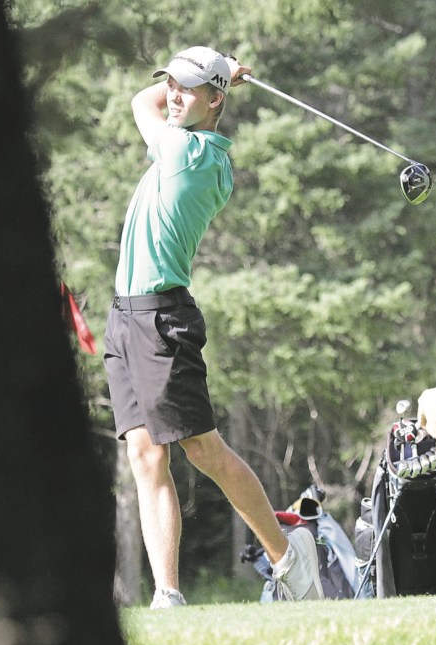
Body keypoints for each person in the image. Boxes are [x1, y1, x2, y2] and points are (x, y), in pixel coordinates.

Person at [103, 46, 323, 609]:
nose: (173, 95)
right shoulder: (202, 148)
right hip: (126, 316)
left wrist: (223, 69)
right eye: (171, 84)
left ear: (216, 99)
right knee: (146, 456)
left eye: (188, 88)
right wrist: (214, 74)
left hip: (159, 319)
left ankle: (289, 559)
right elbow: (159, 97)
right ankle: (168, 593)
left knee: (202, 448)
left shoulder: (184, 153)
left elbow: (139, 100)